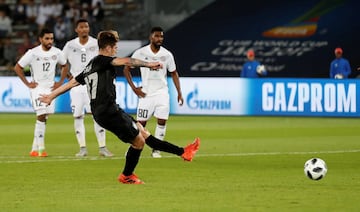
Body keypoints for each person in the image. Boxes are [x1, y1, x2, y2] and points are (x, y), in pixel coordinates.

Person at [39, 31, 200, 184]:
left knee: (143, 133)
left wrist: (51, 96)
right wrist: (149, 64)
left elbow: (73, 82)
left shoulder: (91, 65)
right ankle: (127, 175)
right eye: (115, 47)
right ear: (108, 48)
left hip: (106, 111)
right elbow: (127, 61)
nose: (116, 50)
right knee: (139, 142)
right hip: (108, 111)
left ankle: (184, 152)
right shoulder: (102, 59)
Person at [123, 26, 184, 158]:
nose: (159, 39)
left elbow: (174, 73)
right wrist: (134, 88)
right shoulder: (141, 53)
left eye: (161, 36)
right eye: (157, 36)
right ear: (151, 37)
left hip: (162, 93)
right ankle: (133, 146)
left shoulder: (167, 55)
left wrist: (179, 92)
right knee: (140, 124)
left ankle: (156, 150)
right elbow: (126, 69)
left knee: (162, 121)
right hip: (146, 94)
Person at [13, 28, 67, 157]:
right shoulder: (32, 53)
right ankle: (42, 149)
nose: (50, 41)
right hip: (37, 88)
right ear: (40, 39)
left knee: (45, 117)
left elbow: (65, 65)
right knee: (41, 115)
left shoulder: (57, 52)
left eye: (51, 39)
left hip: (50, 89)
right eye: (47, 38)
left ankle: (33, 148)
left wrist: (60, 82)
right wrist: (27, 83)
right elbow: (18, 67)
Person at [62, 18, 112, 157]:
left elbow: (104, 59)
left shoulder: (95, 43)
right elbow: (62, 61)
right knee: (78, 116)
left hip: (92, 84)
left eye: (86, 26)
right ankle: (82, 148)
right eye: (81, 27)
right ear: (76, 29)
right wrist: (68, 76)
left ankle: (102, 147)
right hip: (76, 86)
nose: (84, 29)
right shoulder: (70, 45)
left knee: (97, 115)